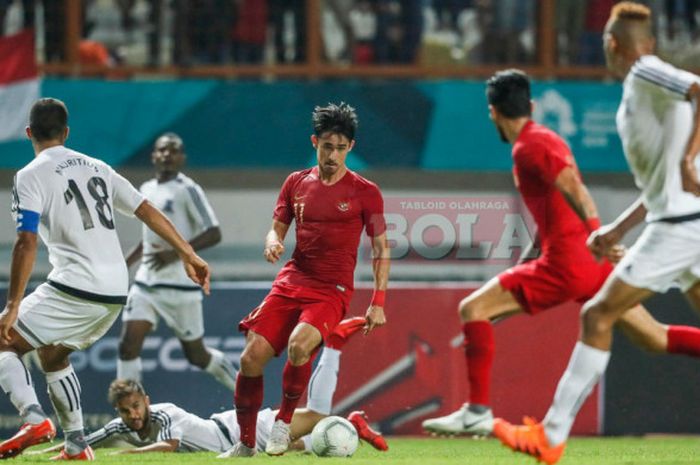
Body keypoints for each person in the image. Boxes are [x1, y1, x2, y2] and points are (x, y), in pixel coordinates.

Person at [422, 68, 700, 438]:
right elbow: (556, 207)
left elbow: (575, 189)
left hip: (568, 261)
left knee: (472, 309)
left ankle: (477, 411)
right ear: (531, 106)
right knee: (654, 336)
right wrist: (533, 260)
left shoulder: (529, 146)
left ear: (493, 112)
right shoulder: (542, 139)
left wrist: (598, 234)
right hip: (587, 263)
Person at [492, 3, 700, 464]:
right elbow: (659, 188)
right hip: (683, 221)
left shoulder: (645, 72)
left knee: (597, 315)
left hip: (682, 229)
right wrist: (615, 229)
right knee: (641, 330)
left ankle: (550, 435)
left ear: (612, 45)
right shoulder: (643, 93)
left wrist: (688, 159)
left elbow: (698, 88)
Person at [0, 98, 210, 460]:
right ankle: (78, 444)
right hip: (115, 290)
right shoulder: (98, 167)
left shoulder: (29, 176)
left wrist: (13, 305)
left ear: (29, 133)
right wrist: (188, 252)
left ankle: (33, 420)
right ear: (67, 133)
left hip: (75, 285)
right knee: (53, 353)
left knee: (3, 340)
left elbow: (26, 241)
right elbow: (146, 209)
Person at [228, 102, 390, 457]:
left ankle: (283, 425)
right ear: (314, 141)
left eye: (341, 148)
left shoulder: (366, 192)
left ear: (351, 148)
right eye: (327, 146)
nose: (333, 155)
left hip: (331, 290)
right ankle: (244, 444)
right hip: (292, 280)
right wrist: (272, 242)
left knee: (301, 346)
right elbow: (277, 229)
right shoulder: (296, 183)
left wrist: (378, 301)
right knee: (250, 359)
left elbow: (380, 247)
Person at [33, 319, 388, 456]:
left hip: (236, 430)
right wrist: (49, 456)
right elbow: (82, 442)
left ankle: (336, 343)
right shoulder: (123, 425)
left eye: (136, 406)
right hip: (233, 434)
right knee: (303, 448)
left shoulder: (162, 412)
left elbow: (168, 446)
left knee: (316, 414)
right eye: (126, 411)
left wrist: (124, 455)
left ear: (147, 400)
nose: (133, 415)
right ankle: (353, 426)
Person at [117, 133, 236, 391]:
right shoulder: (146, 189)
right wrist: (124, 264)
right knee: (127, 346)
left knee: (197, 356)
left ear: (182, 157)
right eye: (162, 150)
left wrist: (176, 253)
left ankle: (241, 388)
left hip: (181, 286)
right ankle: (133, 417)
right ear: (154, 156)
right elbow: (148, 238)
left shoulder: (188, 189)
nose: (167, 155)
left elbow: (214, 232)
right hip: (147, 284)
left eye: (174, 151)